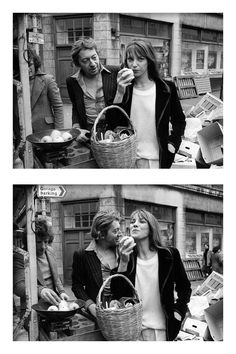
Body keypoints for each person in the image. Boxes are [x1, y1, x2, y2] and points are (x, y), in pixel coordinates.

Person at [111, 209, 191, 341]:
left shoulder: (169, 255)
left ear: (151, 228)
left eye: (141, 221)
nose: (135, 224)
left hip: (162, 330)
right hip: (134, 331)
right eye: (132, 222)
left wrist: (178, 312)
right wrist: (123, 262)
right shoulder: (127, 257)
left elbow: (185, 287)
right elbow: (118, 295)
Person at [114, 39, 186, 168]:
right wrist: (119, 93)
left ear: (149, 61)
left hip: (158, 159)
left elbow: (179, 120)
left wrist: (173, 144)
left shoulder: (166, 89)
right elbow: (114, 124)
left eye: (140, 59)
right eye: (130, 60)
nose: (134, 65)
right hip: (129, 160)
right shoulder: (124, 88)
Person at [71, 210, 135, 318]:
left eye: (120, 230)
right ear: (101, 234)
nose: (120, 234)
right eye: (115, 231)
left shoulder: (124, 252)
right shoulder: (82, 255)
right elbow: (77, 286)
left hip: (123, 316)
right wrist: (90, 306)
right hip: (98, 316)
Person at [66, 37, 129, 143]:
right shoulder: (72, 82)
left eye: (94, 57)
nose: (92, 63)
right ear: (78, 63)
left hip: (114, 135)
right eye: (85, 61)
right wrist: (76, 130)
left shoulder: (115, 72)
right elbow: (76, 109)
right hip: (88, 134)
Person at [13, 219, 69, 317]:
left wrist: (62, 291)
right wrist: (40, 290)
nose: (43, 246)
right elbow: (18, 286)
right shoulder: (21, 256)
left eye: (46, 241)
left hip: (53, 305)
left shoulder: (50, 251)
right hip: (32, 308)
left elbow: (55, 277)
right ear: (29, 240)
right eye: (38, 242)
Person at [27, 48, 64, 132]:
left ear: (35, 63)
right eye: (24, 65)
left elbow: (58, 107)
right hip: (24, 131)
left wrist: (59, 132)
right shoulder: (16, 83)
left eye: (30, 64)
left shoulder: (48, 80)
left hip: (45, 130)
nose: (28, 69)